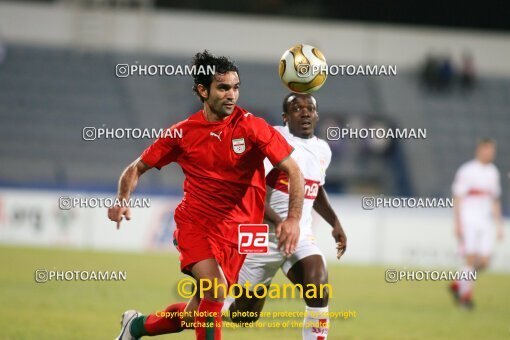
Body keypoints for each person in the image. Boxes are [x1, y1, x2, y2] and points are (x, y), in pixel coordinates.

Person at [108, 51, 304, 339]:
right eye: (223, 88)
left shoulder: (251, 126)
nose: (232, 95)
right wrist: (122, 200)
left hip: (238, 232)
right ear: (203, 90)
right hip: (196, 225)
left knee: (197, 313)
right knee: (215, 289)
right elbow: (135, 168)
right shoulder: (182, 134)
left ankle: (135, 326)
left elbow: (294, 171)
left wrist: (294, 219)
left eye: (236, 87)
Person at [224, 93, 347, 339]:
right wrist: (280, 222)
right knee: (244, 315)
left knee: (318, 285)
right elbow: (250, 192)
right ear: (285, 116)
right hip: (261, 239)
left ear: (317, 115)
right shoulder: (273, 140)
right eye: (296, 108)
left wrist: (335, 222)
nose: (304, 112)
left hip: (299, 238)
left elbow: (316, 188)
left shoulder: (323, 150)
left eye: (310, 108)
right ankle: (211, 309)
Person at [450, 138, 503, 309]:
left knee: (485, 262)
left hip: (485, 221)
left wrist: (499, 224)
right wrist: (457, 223)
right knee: (471, 259)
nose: (490, 153)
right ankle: (465, 298)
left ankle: (458, 283)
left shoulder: (493, 172)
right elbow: (457, 197)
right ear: (479, 150)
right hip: (469, 219)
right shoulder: (467, 170)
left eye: (492, 150)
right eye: (487, 150)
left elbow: (495, 200)